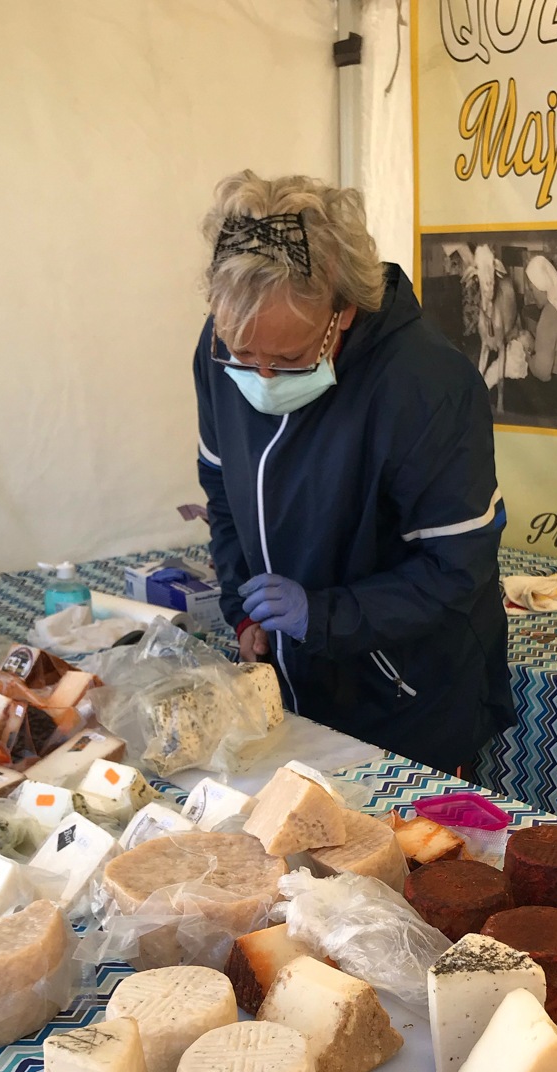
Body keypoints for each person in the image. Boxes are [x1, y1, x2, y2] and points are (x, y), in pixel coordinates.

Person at [192, 171, 515, 775]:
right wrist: (243, 606)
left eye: (289, 358)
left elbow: (456, 569)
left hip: (403, 697)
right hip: (291, 685)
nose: (260, 378)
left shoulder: (427, 385)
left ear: (342, 312)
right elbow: (224, 494)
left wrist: (323, 615)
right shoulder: (221, 351)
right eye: (243, 353)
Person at [506, 255, 557, 424]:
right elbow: (554, 349)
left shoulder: (548, 316)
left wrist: (527, 352)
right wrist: (534, 344)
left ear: (541, 288)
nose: (531, 294)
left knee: (510, 382)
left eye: (532, 289)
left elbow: (542, 374)